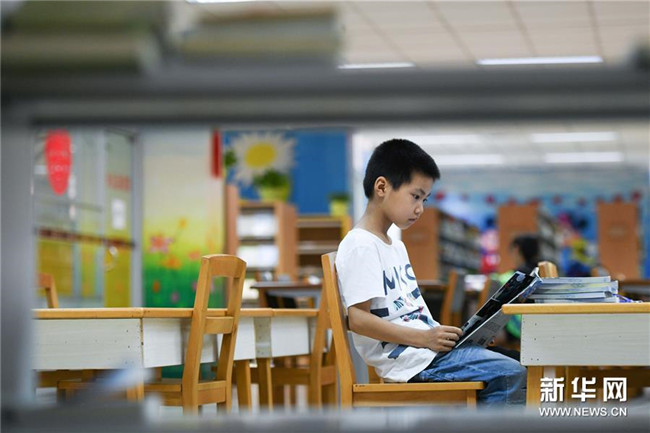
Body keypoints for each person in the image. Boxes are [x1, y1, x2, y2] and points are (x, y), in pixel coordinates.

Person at [335, 139, 526, 405]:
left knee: (519, 361)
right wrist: (425, 338)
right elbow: (357, 320)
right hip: (410, 363)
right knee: (510, 373)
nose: (420, 209)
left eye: (424, 199)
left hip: (426, 353)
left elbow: (412, 314)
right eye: (415, 196)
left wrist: (454, 336)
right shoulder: (360, 245)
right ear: (382, 187)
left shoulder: (396, 246)